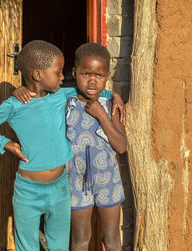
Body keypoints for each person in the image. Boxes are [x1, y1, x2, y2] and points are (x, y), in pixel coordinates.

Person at [0, 40, 121, 251]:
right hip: (27, 191)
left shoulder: (60, 96)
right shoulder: (15, 104)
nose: (63, 77)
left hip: (60, 187)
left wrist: (116, 96)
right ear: (37, 75)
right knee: (27, 246)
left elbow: (95, 92)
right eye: (58, 72)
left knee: (59, 245)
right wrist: (8, 145)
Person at [66, 43, 126, 251]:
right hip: (76, 181)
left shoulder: (111, 107)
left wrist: (102, 115)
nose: (92, 80)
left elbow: (121, 147)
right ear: (74, 73)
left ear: (107, 76)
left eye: (99, 75)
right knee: (80, 238)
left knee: (111, 238)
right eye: (86, 73)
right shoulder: (67, 104)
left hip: (108, 180)